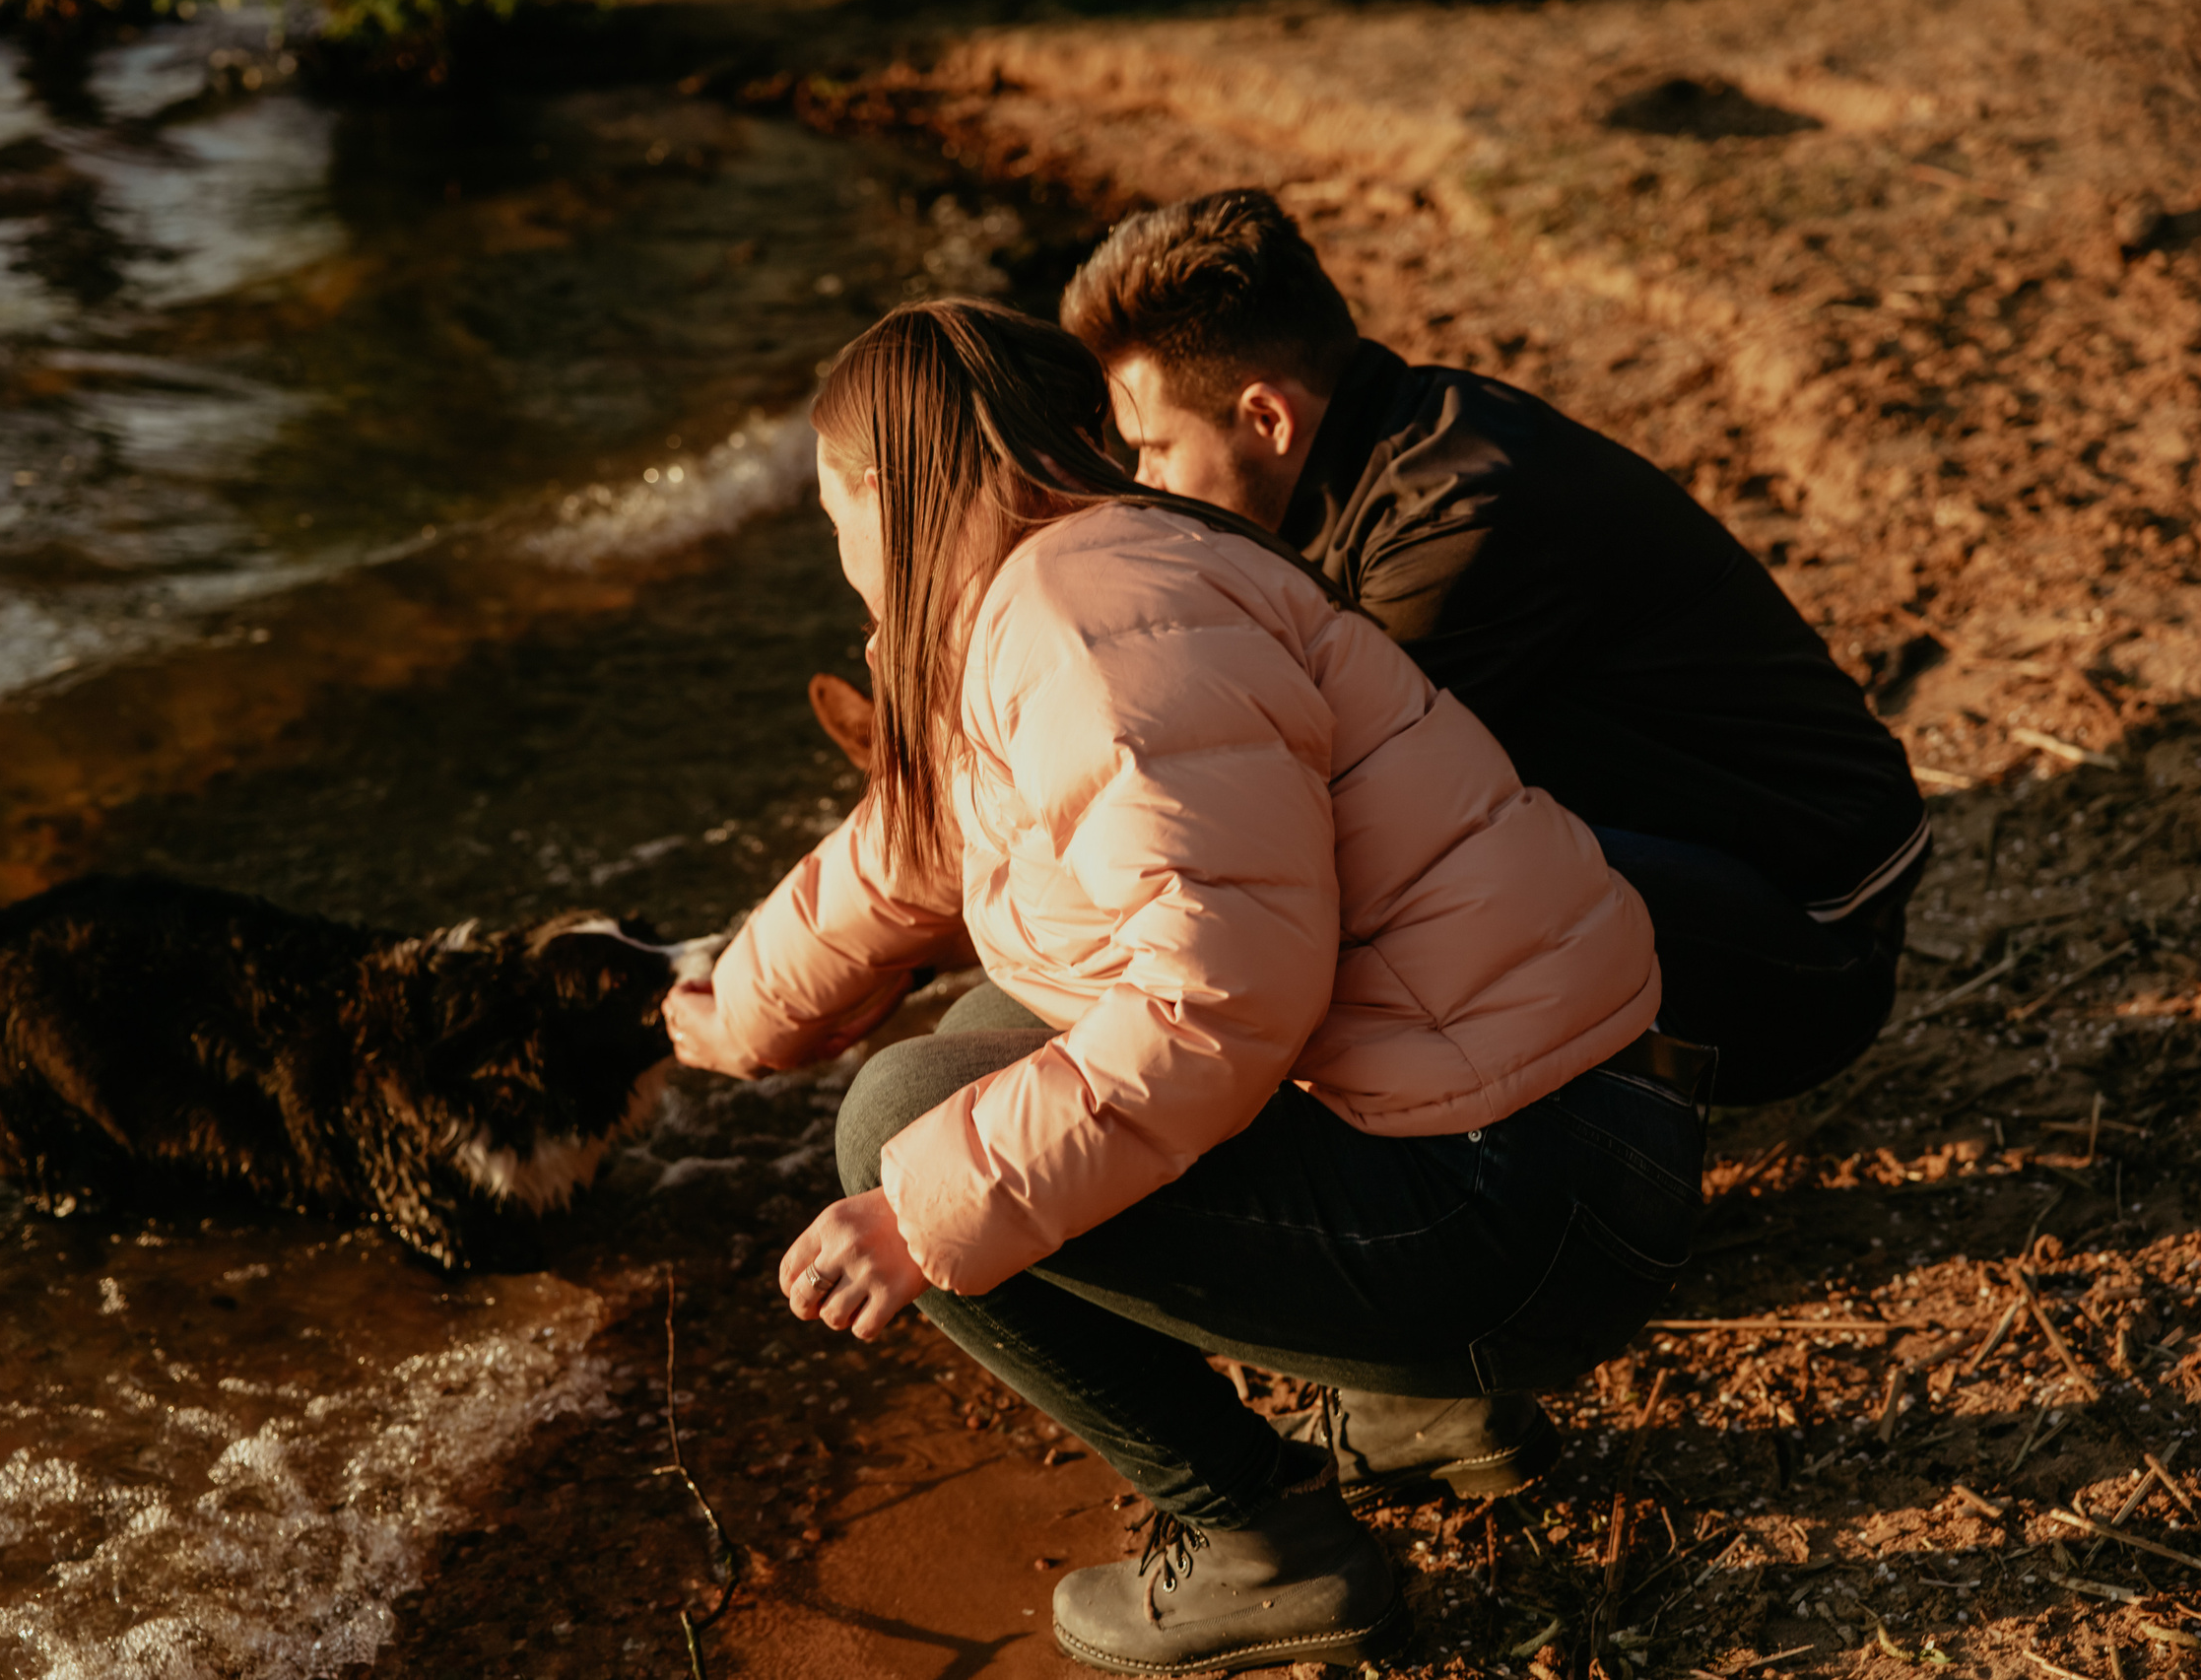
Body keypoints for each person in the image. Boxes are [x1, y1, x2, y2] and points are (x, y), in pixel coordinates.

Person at [665, 298, 1709, 1677]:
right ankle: (1418, 1411)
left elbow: (1219, 994)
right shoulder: (1077, 587)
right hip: (1546, 1144)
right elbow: (907, 855)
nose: (841, 553)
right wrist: (718, 1009)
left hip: (1528, 1199)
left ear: (892, 490)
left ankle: (1259, 1540)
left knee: (908, 1117)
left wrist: (924, 1211)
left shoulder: (1085, 623)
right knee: (1000, 1028)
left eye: (833, 514)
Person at [1059, 187, 1930, 1112]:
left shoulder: (1452, 531)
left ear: (1266, 418)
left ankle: (1605, 1160)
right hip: (1732, 871)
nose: (1144, 489)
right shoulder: (1391, 443)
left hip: (1814, 942)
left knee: (1372, 874)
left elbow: (1306, 813)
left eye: (1153, 450)